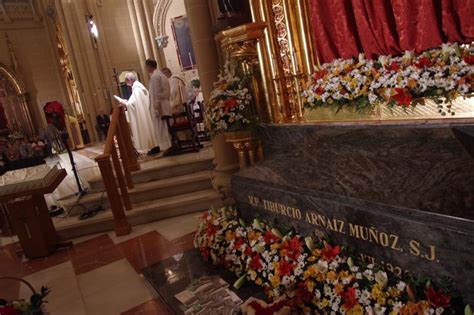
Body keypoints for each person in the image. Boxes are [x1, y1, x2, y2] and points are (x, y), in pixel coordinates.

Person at [115, 72, 158, 152]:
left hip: (143, 115)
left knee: (146, 128)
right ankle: (152, 146)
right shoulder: (138, 87)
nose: (125, 82)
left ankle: (151, 147)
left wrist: (124, 102)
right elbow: (135, 102)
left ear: (130, 80)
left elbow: (132, 104)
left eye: (126, 80)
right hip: (145, 113)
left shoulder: (137, 89)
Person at [146, 59, 172, 152]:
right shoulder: (161, 75)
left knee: (162, 128)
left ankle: (166, 146)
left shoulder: (155, 77)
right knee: (165, 127)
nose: (146, 69)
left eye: (146, 67)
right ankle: (169, 145)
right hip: (165, 104)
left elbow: (156, 94)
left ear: (149, 66)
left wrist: (156, 108)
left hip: (160, 106)